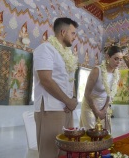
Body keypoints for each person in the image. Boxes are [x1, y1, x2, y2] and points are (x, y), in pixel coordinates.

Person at [33, 17, 78, 158]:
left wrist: (74, 99)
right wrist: (68, 101)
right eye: (73, 33)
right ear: (63, 32)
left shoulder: (68, 55)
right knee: (50, 152)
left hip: (67, 108)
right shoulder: (45, 49)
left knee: (65, 150)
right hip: (50, 108)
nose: (74, 37)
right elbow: (46, 80)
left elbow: (71, 80)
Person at [80, 46, 123, 133]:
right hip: (90, 106)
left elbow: (110, 94)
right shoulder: (97, 71)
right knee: (91, 134)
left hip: (104, 106)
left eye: (120, 59)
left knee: (104, 134)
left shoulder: (116, 74)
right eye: (116, 59)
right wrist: (96, 111)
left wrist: (104, 109)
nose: (118, 62)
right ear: (107, 57)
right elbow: (86, 94)